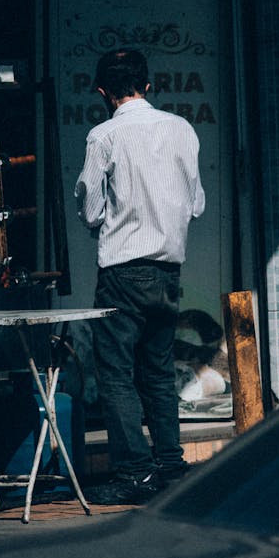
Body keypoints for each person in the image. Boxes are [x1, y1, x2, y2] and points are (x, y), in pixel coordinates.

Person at [75, 48, 205, 505]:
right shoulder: (182, 129)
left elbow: (91, 211)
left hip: (123, 271)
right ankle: (169, 464)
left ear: (103, 92)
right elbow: (196, 204)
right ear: (147, 84)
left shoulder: (104, 136)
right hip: (168, 269)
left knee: (115, 374)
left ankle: (134, 473)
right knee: (157, 371)